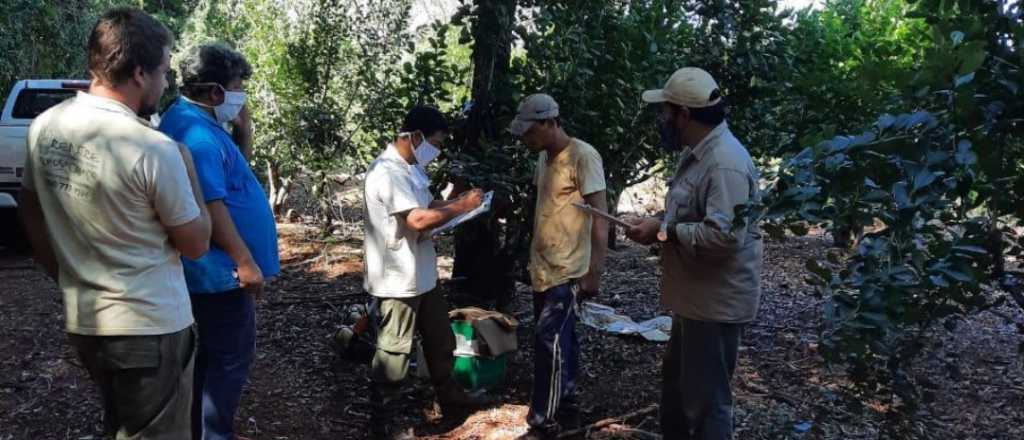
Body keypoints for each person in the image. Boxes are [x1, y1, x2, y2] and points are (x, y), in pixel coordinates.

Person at [18, 7, 211, 439]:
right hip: (149, 328)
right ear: (139, 73)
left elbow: (29, 204)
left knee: (121, 423)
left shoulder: (45, 126)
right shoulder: (154, 148)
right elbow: (196, 243)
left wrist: (64, 270)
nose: (165, 83)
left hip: (87, 322)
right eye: (163, 72)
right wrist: (188, 166)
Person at [625, 67, 763, 440]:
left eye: (665, 111)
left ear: (683, 115)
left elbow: (723, 238)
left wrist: (663, 232)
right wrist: (655, 222)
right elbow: (692, 215)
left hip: (714, 304)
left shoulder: (724, 163)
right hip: (695, 300)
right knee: (677, 385)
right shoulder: (699, 153)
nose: (662, 120)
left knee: (707, 403)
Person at [158, 42, 278, 440]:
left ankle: (206, 429)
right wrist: (244, 261)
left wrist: (245, 130)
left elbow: (234, 173)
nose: (241, 94)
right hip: (217, 275)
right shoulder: (200, 138)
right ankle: (214, 434)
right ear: (214, 93)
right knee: (228, 359)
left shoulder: (194, 122)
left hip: (210, 273)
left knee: (211, 360)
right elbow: (212, 205)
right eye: (237, 86)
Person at [362, 105, 485, 439]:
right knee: (394, 352)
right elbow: (415, 220)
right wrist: (463, 206)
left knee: (439, 339)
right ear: (415, 137)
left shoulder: (410, 168)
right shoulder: (387, 172)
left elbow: (428, 208)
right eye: (435, 142)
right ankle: (386, 420)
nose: (437, 150)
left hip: (421, 273)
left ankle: (452, 398)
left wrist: (461, 202)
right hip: (396, 279)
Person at [509, 93, 609, 439]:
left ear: (550, 122)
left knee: (547, 339)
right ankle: (568, 410)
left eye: (530, 132)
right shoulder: (543, 157)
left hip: (569, 269)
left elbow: (600, 218)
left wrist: (595, 270)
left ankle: (543, 422)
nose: (526, 140)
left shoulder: (583, 156)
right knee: (561, 342)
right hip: (544, 267)